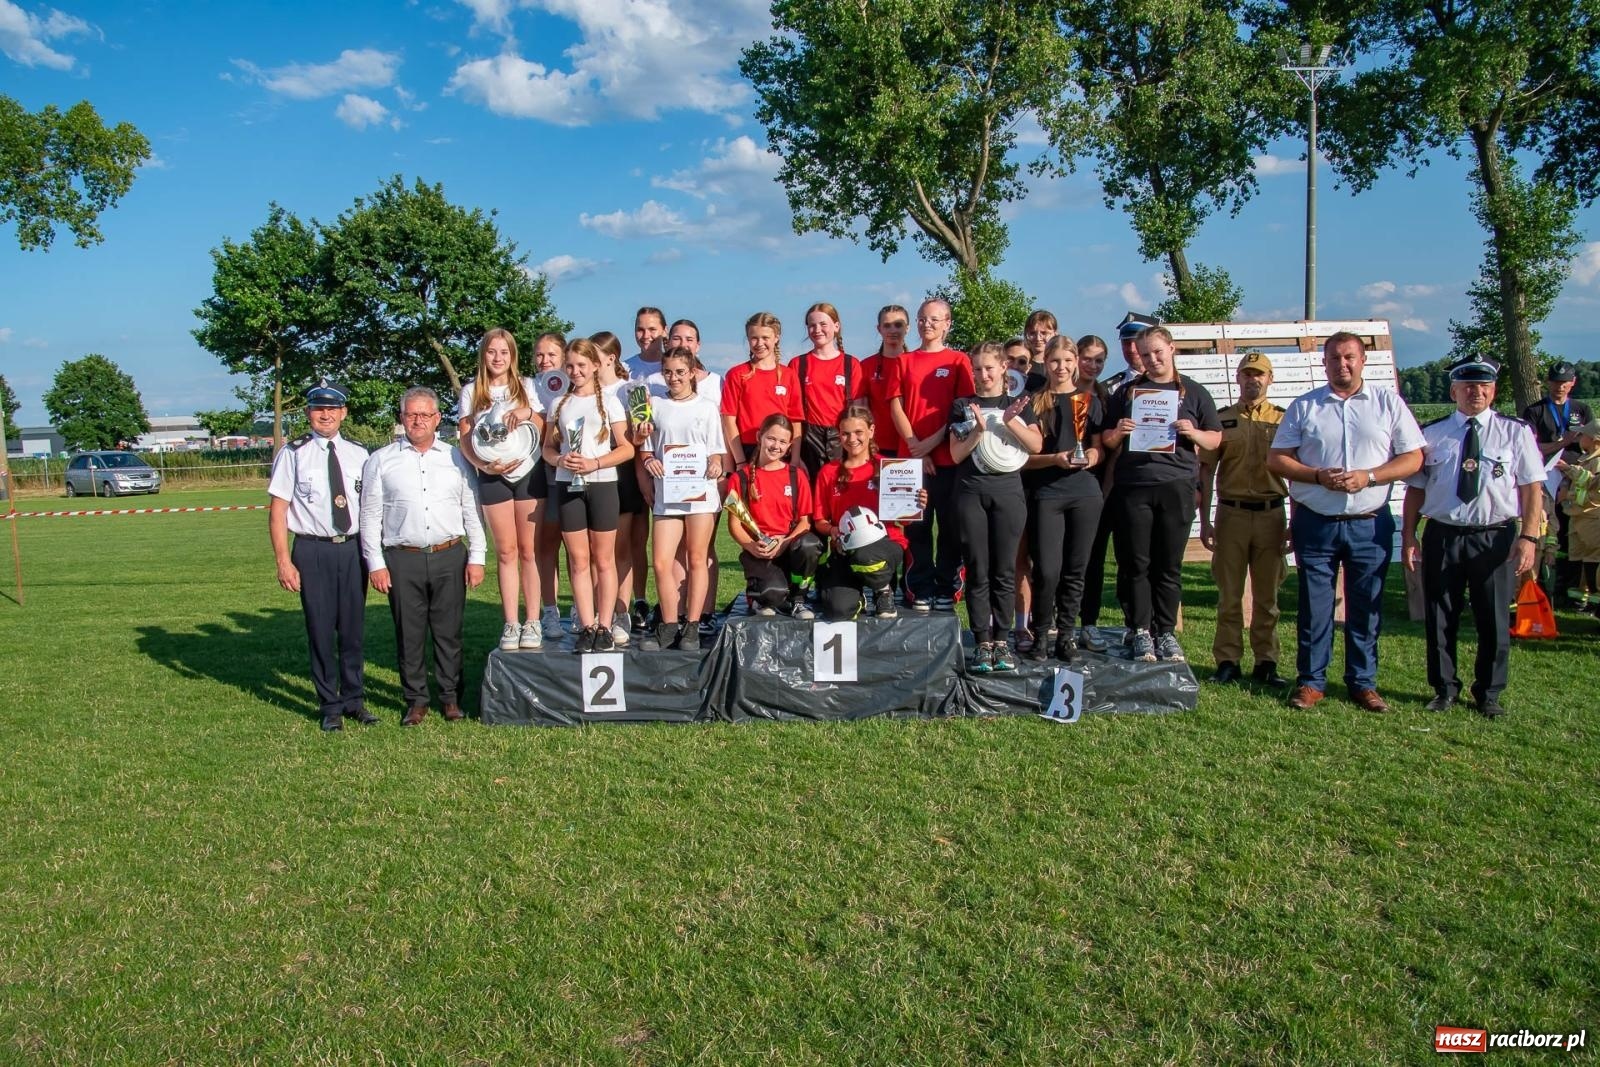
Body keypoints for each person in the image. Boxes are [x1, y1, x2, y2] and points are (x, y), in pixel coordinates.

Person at [1267, 331, 1424, 712]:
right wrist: (1317, 475)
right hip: (1316, 521)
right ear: (1324, 362)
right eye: (1334, 358)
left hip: (1369, 523)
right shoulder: (1305, 406)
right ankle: (1311, 682)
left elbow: (1414, 458)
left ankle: (1363, 682)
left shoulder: (1388, 403)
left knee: (1366, 605)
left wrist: (1369, 477)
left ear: (1363, 360)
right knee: (1315, 605)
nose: (1342, 364)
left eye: (1350, 357)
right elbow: (1277, 460)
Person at [1401, 357, 1543, 718]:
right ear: (1453, 391)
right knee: (1440, 614)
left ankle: (1489, 692)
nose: (1475, 392)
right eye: (1467, 386)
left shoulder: (1515, 432)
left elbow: (1531, 488)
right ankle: (1444, 688)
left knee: (1492, 617)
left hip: (1494, 536)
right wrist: (1408, 536)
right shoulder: (1432, 435)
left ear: (1493, 390)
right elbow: (1416, 490)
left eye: (1483, 385)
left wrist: (1528, 537)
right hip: (1443, 535)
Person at [359, 387, 486, 726]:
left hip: (449, 554)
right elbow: (369, 517)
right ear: (402, 418)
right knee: (409, 634)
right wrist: (376, 563)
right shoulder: (381, 460)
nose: (418, 421)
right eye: (411, 415)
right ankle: (416, 700)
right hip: (403, 558)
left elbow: (471, 509)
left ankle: (450, 697)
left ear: (437, 419)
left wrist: (477, 556)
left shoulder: (456, 457)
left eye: (425, 415)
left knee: (449, 632)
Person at [1101, 326, 1222, 663]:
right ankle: (1140, 630)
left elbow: (1215, 439)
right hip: (1134, 486)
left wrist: (1193, 432)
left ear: (1171, 349)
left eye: (1158, 352)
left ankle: (1165, 633)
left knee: (1168, 566)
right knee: (1136, 563)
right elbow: (1106, 441)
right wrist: (1118, 431)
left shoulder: (1194, 393)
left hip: (1177, 486)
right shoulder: (1126, 393)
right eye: (1145, 353)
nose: (1152, 359)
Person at [267, 382, 374, 731]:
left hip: (353, 547)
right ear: (309, 413)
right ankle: (329, 705)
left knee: (353, 630)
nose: (325, 415)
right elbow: (278, 510)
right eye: (317, 409)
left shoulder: (360, 454)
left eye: (332, 409)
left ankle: (354, 700)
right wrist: (284, 561)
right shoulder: (293, 453)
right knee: (320, 628)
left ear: (343, 413)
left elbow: (372, 507)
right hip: (313, 549)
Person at [949, 342, 1044, 673]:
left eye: (989, 368)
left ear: (1004, 367)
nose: (982, 374)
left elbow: (1035, 445)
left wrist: (1009, 421)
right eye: (977, 369)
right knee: (978, 570)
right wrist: (978, 429)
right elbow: (955, 455)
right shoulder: (963, 404)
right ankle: (981, 641)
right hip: (971, 492)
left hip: (1008, 493)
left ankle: (1002, 641)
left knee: (1004, 570)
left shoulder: (1017, 405)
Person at [1198, 352, 1289, 686]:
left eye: (1260, 374)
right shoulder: (1222, 420)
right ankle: (1227, 660)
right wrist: (1204, 521)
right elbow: (1206, 472)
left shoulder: (1283, 419)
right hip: (1231, 514)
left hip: (1271, 514)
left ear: (1270, 378)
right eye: (1247, 374)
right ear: (1237, 378)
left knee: (1267, 596)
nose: (1253, 380)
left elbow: (1296, 471)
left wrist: (1292, 521)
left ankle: (1266, 661)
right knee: (1229, 594)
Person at [544, 337, 635, 654]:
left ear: (596, 365)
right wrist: (560, 460)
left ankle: (606, 626)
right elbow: (548, 448)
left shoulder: (610, 402)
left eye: (581, 365)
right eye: (570, 365)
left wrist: (595, 462)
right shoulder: (558, 404)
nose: (575, 371)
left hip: (602, 484)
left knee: (604, 559)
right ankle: (586, 625)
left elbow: (626, 448)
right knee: (579, 561)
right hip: (569, 484)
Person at [457, 328, 546, 653]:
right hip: (493, 476)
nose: (498, 358)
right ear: (484, 355)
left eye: (504, 352)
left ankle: (533, 620)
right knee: (506, 552)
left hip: (528, 473)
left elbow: (542, 423)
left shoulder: (527, 386)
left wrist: (526, 412)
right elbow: (465, 437)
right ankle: (511, 622)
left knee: (529, 551)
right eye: (492, 352)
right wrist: (483, 466)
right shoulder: (471, 391)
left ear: (512, 355)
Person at [1020, 338, 1107, 662]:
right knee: (1047, 570)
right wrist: (1055, 459)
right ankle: (1042, 633)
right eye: (1054, 361)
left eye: (1067, 361)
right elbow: (1025, 459)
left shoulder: (1090, 400)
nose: (1061, 367)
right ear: (1047, 363)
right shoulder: (1033, 401)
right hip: (1047, 493)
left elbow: (1099, 448)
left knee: (1076, 569)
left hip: (1084, 492)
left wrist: (1090, 459)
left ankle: (1066, 636)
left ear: (1075, 362)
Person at [888, 298, 975, 612]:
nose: (927, 324)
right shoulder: (904, 360)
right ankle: (919, 588)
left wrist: (932, 444)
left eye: (935, 319)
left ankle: (946, 587)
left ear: (947, 323)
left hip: (949, 458)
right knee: (916, 529)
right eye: (923, 319)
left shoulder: (958, 360)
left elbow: (962, 410)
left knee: (951, 528)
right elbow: (895, 405)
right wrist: (915, 445)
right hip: (909, 460)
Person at [635, 346, 724, 650]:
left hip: (700, 493)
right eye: (669, 372)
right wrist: (649, 463)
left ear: (692, 373)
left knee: (697, 557)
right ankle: (669, 625)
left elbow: (716, 452)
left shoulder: (707, 406)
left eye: (680, 372)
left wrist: (715, 465)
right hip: (668, 494)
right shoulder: (654, 404)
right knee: (661, 562)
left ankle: (692, 627)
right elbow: (645, 448)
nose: (674, 378)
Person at [812, 406, 923, 619]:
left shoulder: (890, 468)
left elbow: (905, 523)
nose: (852, 438)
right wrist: (833, 529)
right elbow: (820, 521)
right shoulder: (829, 472)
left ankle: (883, 590)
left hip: (884, 547)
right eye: (845, 433)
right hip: (845, 549)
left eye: (858, 432)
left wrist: (915, 504)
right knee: (838, 610)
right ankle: (859, 596)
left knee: (866, 553)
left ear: (871, 430)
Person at [729, 414, 822, 617]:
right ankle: (757, 594)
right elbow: (734, 525)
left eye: (782, 441)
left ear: (789, 446)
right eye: (771, 438)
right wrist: (751, 546)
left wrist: (785, 542)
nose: (775, 446)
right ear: (759, 437)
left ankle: (798, 599)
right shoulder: (741, 478)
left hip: (788, 546)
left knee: (810, 545)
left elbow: (805, 523)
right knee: (771, 598)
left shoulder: (796, 476)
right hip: (760, 550)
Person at [1520, 360, 1593, 604]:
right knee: (1547, 529)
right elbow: (1530, 446)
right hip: (1546, 477)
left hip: (1576, 479)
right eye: (1555, 382)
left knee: (1576, 534)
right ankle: (1545, 582)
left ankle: (1573, 588)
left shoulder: (1582, 409)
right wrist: (1563, 443)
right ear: (1548, 383)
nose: (1559, 387)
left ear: (1572, 383)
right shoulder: (1535, 411)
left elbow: (1592, 444)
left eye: (1564, 383)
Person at [592, 330, 643, 644]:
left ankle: (621, 611)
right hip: (588, 477)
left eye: (595, 356)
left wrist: (638, 434)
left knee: (620, 548)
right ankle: (598, 612)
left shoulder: (633, 390)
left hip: (622, 473)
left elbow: (641, 437)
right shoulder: (581, 390)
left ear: (611, 357)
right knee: (595, 551)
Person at [1071, 334, 1116, 653]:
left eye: (1100, 360)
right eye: (1088, 358)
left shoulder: (1104, 398)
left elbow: (1111, 449)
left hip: (1095, 488)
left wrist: (1105, 487)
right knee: (1060, 562)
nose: (1093, 365)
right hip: (1058, 487)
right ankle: (1061, 623)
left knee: (1092, 561)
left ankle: (1089, 623)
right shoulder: (1055, 394)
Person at [789, 301, 865, 476]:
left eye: (823, 324)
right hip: (808, 438)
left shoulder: (850, 364)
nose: (817, 330)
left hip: (841, 437)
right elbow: (792, 411)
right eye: (812, 325)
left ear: (836, 326)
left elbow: (859, 410)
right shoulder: (798, 364)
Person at [721, 312, 802, 468]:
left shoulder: (789, 375)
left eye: (765, 338)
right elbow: (729, 421)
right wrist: (740, 461)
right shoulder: (737, 374)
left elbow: (795, 420)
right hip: (747, 450)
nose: (759, 343)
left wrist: (795, 459)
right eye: (754, 338)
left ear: (776, 338)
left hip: (780, 451)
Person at [529, 331, 569, 641]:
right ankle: (550, 610)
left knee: (580, 546)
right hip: (536, 472)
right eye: (540, 355)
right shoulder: (527, 388)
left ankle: (584, 610)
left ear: (564, 357)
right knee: (546, 543)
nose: (545, 361)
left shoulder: (575, 385)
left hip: (571, 473)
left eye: (551, 355)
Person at [1557, 418, 1600, 610]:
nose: (1579, 437)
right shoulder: (1586, 459)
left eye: (1583, 434)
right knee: (1578, 559)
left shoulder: (1598, 461)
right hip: (1578, 516)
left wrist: (1568, 470)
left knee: (1593, 560)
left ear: (1594, 440)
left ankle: (1595, 603)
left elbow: (1593, 486)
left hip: (1591, 517)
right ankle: (1577, 600)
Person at [860, 305, 910, 459]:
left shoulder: (917, 363)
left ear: (907, 328)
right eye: (887, 325)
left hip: (912, 445)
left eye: (898, 325)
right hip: (877, 447)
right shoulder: (866, 366)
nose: (893, 330)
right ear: (879, 329)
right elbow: (861, 410)